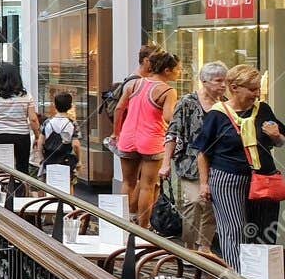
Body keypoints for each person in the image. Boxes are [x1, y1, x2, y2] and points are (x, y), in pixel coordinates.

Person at [193, 65, 285, 266]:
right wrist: (204, 183)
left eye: (257, 88)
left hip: (263, 178)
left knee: (263, 230)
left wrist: (277, 137)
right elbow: (202, 151)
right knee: (234, 230)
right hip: (228, 178)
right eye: (252, 89)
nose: (256, 93)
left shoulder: (263, 109)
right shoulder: (218, 114)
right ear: (234, 87)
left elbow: (280, 141)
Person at [163, 61, 229, 254]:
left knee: (209, 205)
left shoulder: (225, 104)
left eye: (224, 81)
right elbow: (173, 132)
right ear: (205, 81)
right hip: (189, 163)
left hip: (217, 163)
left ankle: (205, 245)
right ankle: (189, 245)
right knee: (192, 202)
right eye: (218, 81)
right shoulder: (187, 102)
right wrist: (166, 163)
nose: (223, 85)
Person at [115, 50, 180, 226]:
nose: (179, 72)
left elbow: (119, 108)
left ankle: (123, 222)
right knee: (147, 186)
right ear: (167, 70)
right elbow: (168, 117)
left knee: (127, 182)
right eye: (178, 69)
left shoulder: (135, 84)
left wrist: (117, 132)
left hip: (128, 138)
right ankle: (143, 228)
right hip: (152, 140)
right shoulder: (168, 91)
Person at [0, 62, 41, 178]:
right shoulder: (26, 96)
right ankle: (21, 192)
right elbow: (33, 119)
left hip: (2, 135)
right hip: (22, 136)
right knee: (22, 167)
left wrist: (2, 118)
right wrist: (37, 135)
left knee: (3, 167)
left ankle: (5, 192)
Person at [39, 92, 81, 173]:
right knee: (69, 182)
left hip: (49, 159)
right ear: (70, 106)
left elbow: (40, 142)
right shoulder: (72, 124)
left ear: (55, 106)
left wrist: (41, 158)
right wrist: (79, 161)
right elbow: (76, 145)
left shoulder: (47, 122)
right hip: (66, 160)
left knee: (49, 182)